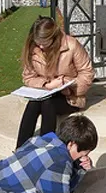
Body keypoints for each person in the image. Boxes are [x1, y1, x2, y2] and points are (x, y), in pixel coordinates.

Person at [16, 16, 95, 149]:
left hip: (70, 97)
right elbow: (28, 77)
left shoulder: (71, 45)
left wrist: (68, 86)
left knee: (48, 103)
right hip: (47, 91)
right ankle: (20, 149)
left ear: (53, 37)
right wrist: (47, 85)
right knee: (33, 102)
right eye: (37, 42)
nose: (40, 46)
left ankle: (46, 149)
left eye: (44, 42)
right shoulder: (33, 48)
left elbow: (87, 73)